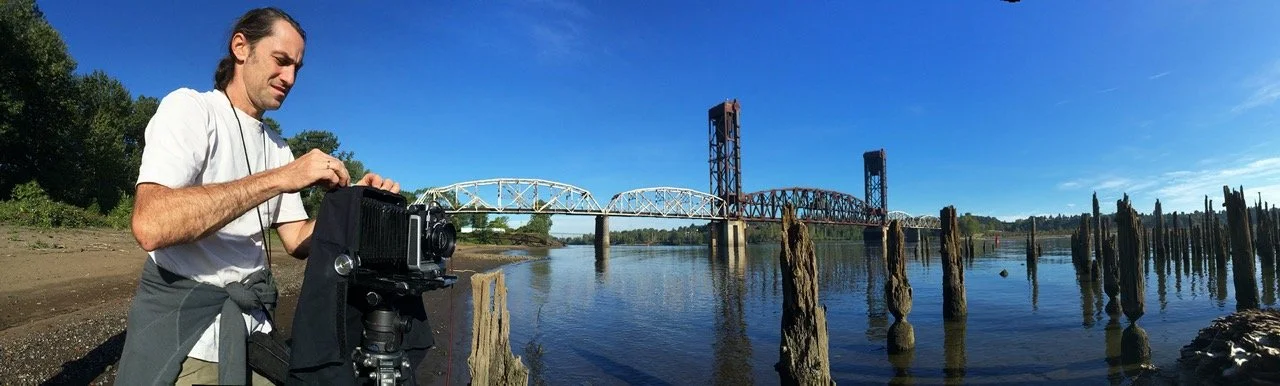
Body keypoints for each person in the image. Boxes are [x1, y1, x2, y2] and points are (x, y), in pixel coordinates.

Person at [115, 7, 399, 385]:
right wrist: (281, 178)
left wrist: (356, 208)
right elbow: (151, 224)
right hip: (192, 336)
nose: (290, 77)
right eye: (281, 61)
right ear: (240, 48)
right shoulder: (191, 109)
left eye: (297, 67)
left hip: (256, 330)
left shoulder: (278, 147)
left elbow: (297, 241)